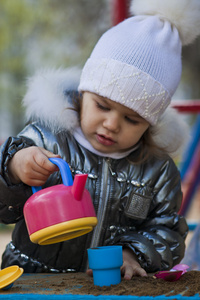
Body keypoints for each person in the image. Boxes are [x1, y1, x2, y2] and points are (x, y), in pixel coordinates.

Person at [0, 0, 200, 279]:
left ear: (151, 124)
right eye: (102, 106)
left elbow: (168, 230)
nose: (112, 124)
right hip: (30, 279)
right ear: (83, 94)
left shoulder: (157, 170)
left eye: (132, 119)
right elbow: (4, 209)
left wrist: (134, 253)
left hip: (111, 287)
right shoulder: (45, 139)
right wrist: (13, 169)